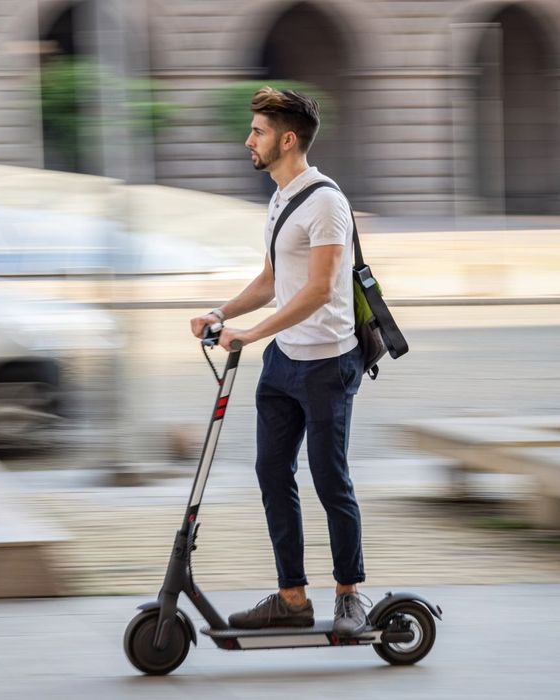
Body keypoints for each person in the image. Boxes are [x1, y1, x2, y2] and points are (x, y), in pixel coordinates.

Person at [190, 86, 367, 635]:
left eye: (259, 132)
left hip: (326, 364)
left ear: (287, 140)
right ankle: (293, 599)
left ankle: (348, 594)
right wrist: (221, 314)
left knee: (328, 477)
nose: (249, 140)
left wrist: (250, 335)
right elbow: (272, 281)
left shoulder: (326, 203)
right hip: (284, 362)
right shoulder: (279, 198)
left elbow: (317, 290)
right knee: (271, 472)